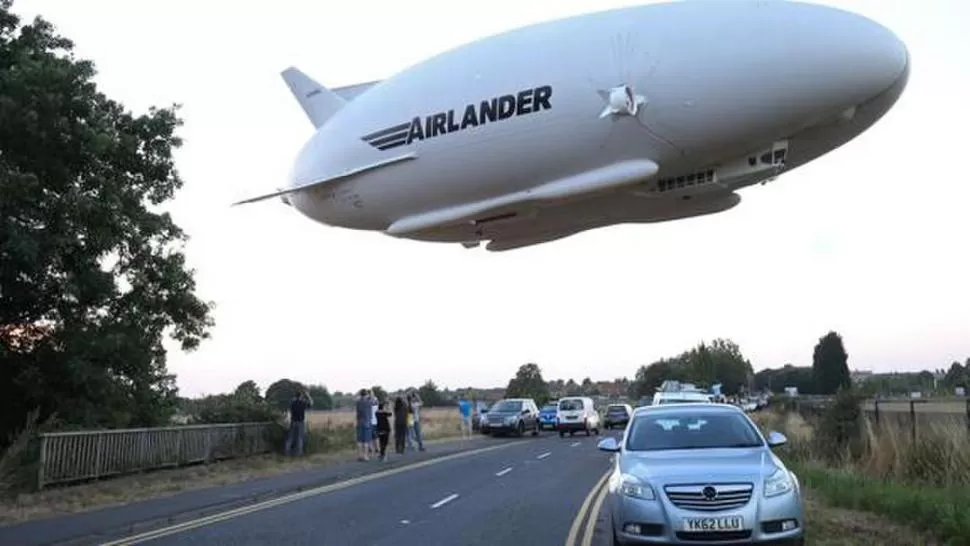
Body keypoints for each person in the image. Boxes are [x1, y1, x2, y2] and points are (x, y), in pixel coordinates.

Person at [285, 390, 313, 456]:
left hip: (293, 421)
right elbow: (311, 403)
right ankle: (299, 453)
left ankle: (287, 452)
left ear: (295, 396)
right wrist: (308, 395)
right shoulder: (303, 403)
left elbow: (290, 406)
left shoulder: (293, 403)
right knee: (300, 438)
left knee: (290, 438)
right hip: (300, 422)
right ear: (301, 396)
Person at [355, 389, 372, 461]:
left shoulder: (358, 402)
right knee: (366, 441)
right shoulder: (368, 402)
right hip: (367, 423)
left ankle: (360, 455)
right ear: (366, 395)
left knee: (359, 440)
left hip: (359, 422)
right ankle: (365, 456)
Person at [369, 391, 380, 456]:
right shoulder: (376, 402)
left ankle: (372, 449)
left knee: (372, 437)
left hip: (371, 422)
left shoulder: (369, 402)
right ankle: (376, 449)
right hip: (375, 421)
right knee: (375, 436)